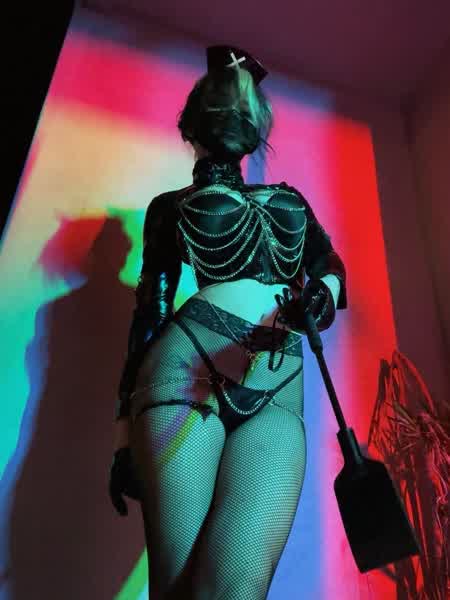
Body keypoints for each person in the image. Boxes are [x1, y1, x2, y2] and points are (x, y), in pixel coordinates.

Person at [108, 45, 347, 599]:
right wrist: (123, 440)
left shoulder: (288, 199)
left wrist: (323, 293)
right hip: (187, 372)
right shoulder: (169, 206)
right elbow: (151, 312)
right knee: (177, 588)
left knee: (235, 590)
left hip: (278, 386)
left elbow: (329, 264)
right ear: (192, 124)